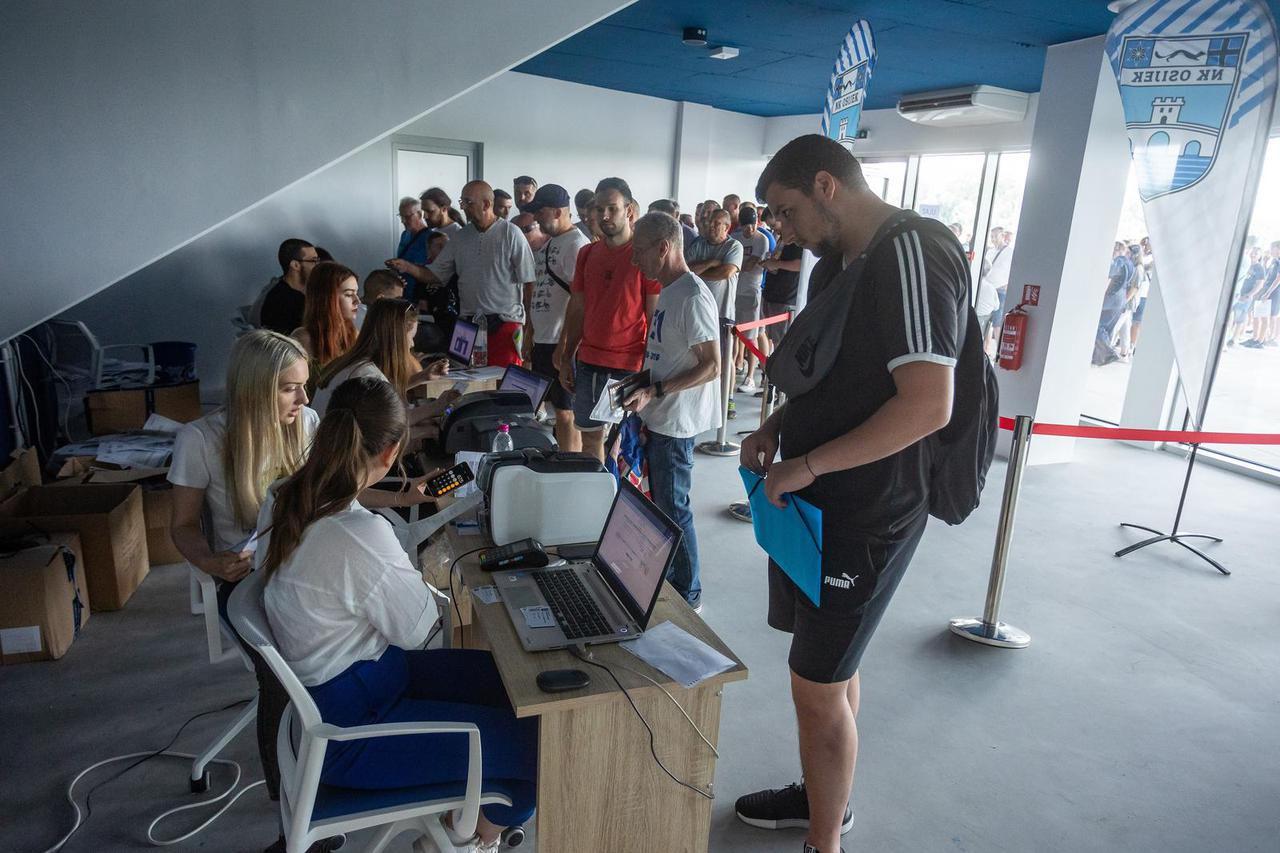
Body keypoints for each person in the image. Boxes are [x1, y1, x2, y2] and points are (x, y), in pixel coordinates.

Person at [735, 135, 970, 853]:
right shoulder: (839, 260)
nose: (781, 228)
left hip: (870, 507)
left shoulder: (914, 252)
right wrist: (778, 425)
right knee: (833, 668)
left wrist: (808, 466)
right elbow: (830, 372)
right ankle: (825, 803)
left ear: (827, 186)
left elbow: (928, 405)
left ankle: (823, 843)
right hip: (822, 501)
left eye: (786, 209)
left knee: (814, 682)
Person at [260, 376, 537, 853]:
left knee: (518, 684)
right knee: (541, 748)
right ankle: (467, 841)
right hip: (355, 731)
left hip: (356, 688)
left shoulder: (289, 497)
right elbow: (418, 630)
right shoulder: (356, 535)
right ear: (391, 452)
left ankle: (459, 824)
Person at [168, 330, 316, 809]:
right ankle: (292, 810)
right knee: (281, 674)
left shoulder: (307, 422)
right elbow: (184, 527)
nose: (304, 397)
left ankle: (340, 770)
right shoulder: (201, 439)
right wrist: (212, 562)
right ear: (256, 388)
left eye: (304, 385)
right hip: (245, 577)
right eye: (290, 387)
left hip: (307, 563)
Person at [623, 212, 721, 610]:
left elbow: (711, 365)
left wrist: (657, 389)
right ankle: (669, 577)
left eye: (639, 252)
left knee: (674, 506)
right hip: (658, 414)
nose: (634, 261)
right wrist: (641, 383)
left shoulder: (694, 296)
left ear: (663, 248)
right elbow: (668, 353)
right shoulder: (669, 290)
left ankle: (689, 592)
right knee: (660, 504)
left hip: (677, 423)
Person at [559, 177, 661, 462]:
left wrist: (652, 371)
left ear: (628, 211)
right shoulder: (587, 254)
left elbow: (654, 318)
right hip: (589, 361)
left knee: (622, 446)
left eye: (611, 208)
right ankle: (598, 501)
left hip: (628, 365)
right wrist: (566, 355)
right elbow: (577, 307)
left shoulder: (643, 257)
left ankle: (623, 502)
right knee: (590, 439)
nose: (603, 216)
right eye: (598, 208)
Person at [388, 180, 535, 368]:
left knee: (503, 383)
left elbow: (529, 282)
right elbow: (435, 275)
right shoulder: (460, 237)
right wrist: (407, 267)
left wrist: (530, 329)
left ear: (486, 204)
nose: (463, 207)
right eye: (462, 202)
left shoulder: (511, 233)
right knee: (461, 381)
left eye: (468, 202)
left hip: (505, 324)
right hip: (466, 323)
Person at [524, 184, 590, 452]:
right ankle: (563, 458)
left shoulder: (577, 245)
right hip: (543, 338)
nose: (536, 218)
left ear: (558, 211)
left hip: (560, 341)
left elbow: (580, 301)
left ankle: (570, 464)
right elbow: (538, 290)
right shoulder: (550, 244)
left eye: (540, 212)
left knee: (566, 412)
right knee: (554, 409)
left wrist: (565, 347)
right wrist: (529, 334)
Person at [312, 298, 450, 420]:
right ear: (396, 339)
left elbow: (377, 395)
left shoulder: (355, 363)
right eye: (410, 337)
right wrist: (438, 406)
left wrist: (422, 377)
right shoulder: (366, 375)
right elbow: (393, 423)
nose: (412, 344)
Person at [295, 261, 360, 368]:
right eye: (348, 294)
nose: (357, 300)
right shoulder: (303, 338)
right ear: (326, 298)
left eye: (356, 293)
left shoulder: (354, 335)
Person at [734, 205, 770, 392]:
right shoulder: (735, 238)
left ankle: (750, 377)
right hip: (734, 292)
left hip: (751, 292)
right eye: (747, 226)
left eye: (753, 225)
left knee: (751, 336)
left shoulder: (761, 239)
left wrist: (732, 266)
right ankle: (734, 366)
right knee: (735, 335)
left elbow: (749, 265)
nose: (750, 230)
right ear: (740, 225)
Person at [686, 208, 743, 323]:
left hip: (721, 313)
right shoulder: (698, 245)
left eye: (716, 223)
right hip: (697, 311)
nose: (711, 226)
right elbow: (685, 271)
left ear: (726, 227)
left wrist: (697, 273)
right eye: (710, 222)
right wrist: (710, 263)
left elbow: (725, 272)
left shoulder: (734, 246)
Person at [259, 239, 318, 335]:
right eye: (314, 261)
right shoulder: (280, 301)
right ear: (295, 265)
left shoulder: (307, 294)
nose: (318, 265)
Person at [1093, 241, 1135, 366]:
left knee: (1098, 326)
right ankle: (1098, 357)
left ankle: (1108, 353)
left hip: (1111, 298)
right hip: (1120, 299)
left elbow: (1108, 276)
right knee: (1107, 329)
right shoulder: (1130, 264)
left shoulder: (1119, 261)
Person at [394, 197, 433, 301]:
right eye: (401, 216)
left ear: (420, 214)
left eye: (407, 216)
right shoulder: (405, 235)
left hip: (421, 296)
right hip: (403, 293)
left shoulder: (431, 238)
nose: (403, 221)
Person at [1230, 246, 1265, 347]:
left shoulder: (1259, 268)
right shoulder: (1246, 264)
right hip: (1237, 294)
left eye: (1256, 253)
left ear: (1259, 256)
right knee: (1232, 315)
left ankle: (1234, 338)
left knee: (1240, 317)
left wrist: (1249, 295)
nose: (1253, 254)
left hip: (1246, 296)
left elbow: (1260, 284)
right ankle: (1229, 335)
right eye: (1252, 252)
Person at [1253, 239, 1280, 347]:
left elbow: (1278, 279)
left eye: (1272, 248)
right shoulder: (1274, 261)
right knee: (1262, 314)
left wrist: (1268, 293)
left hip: (1275, 293)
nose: (1270, 250)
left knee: (1268, 316)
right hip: (1268, 290)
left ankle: (1262, 340)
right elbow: (1269, 277)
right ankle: (1257, 339)